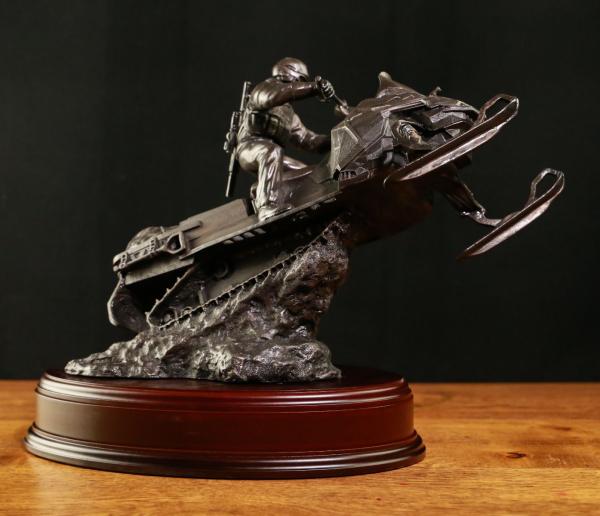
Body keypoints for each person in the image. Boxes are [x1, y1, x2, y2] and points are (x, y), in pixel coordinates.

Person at [234, 57, 338, 220]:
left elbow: (309, 141)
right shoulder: (263, 90)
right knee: (271, 151)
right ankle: (267, 205)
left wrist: (338, 136)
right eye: (301, 81)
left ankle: (261, 189)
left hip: (272, 156)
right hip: (249, 148)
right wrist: (314, 87)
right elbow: (274, 96)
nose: (300, 85)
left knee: (310, 174)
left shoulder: (288, 114)